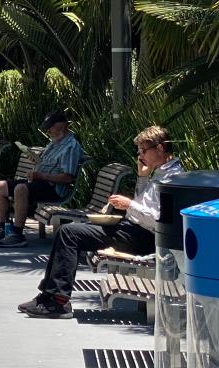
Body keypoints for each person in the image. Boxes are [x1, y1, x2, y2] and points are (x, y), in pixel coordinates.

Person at [18, 125, 183, 318]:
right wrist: (142, 178)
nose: (140, 156)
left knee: (69, 234)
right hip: (133, 228)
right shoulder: (160, 172)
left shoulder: (174, 179)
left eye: (143, 151)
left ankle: (58, 302)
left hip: (145, 237)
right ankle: (48, 296)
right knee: (69, 230)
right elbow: (144, 204)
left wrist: (129, 205)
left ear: (161, 148)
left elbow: (160, 220)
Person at [0, 110, 83, 247]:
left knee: (21, 189)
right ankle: (4, 229)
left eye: (52, 126)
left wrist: (42, 175)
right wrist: (35, 160)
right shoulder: (53, 143)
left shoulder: (71, 146)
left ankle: (17, 234)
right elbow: (45, 164)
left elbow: (67, 178)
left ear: (64, 125)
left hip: (54, 188)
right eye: (47, 127)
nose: (48, 130)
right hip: (39, 182)